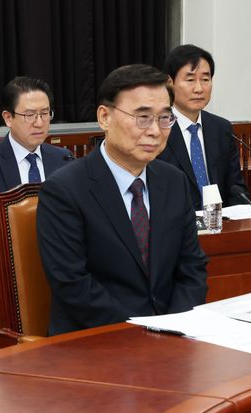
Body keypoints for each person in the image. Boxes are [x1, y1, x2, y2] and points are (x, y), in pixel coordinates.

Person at [37, 64, 208, 335]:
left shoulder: (174, 182)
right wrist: (145, 334)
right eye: (143, 117)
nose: (155, 130)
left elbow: (192, 269)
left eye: (165, 118)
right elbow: (73, 285)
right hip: (94, 341)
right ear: (104, 117)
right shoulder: (64, 190)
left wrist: (172, 328)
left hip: (171, 338)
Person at [0, 76, 71, 229]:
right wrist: (20, 212)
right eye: (29, 115)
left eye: (45, 113)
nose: (39, 123)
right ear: (8, 118)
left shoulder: (64, 159)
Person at [158, 44, 248, 210]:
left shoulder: (221, 128)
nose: (199, 89)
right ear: (170, 83)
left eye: (205, 80)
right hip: (176, 222)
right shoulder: (156, 129)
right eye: (190, 80)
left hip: (220, 221)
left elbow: (236, 189)